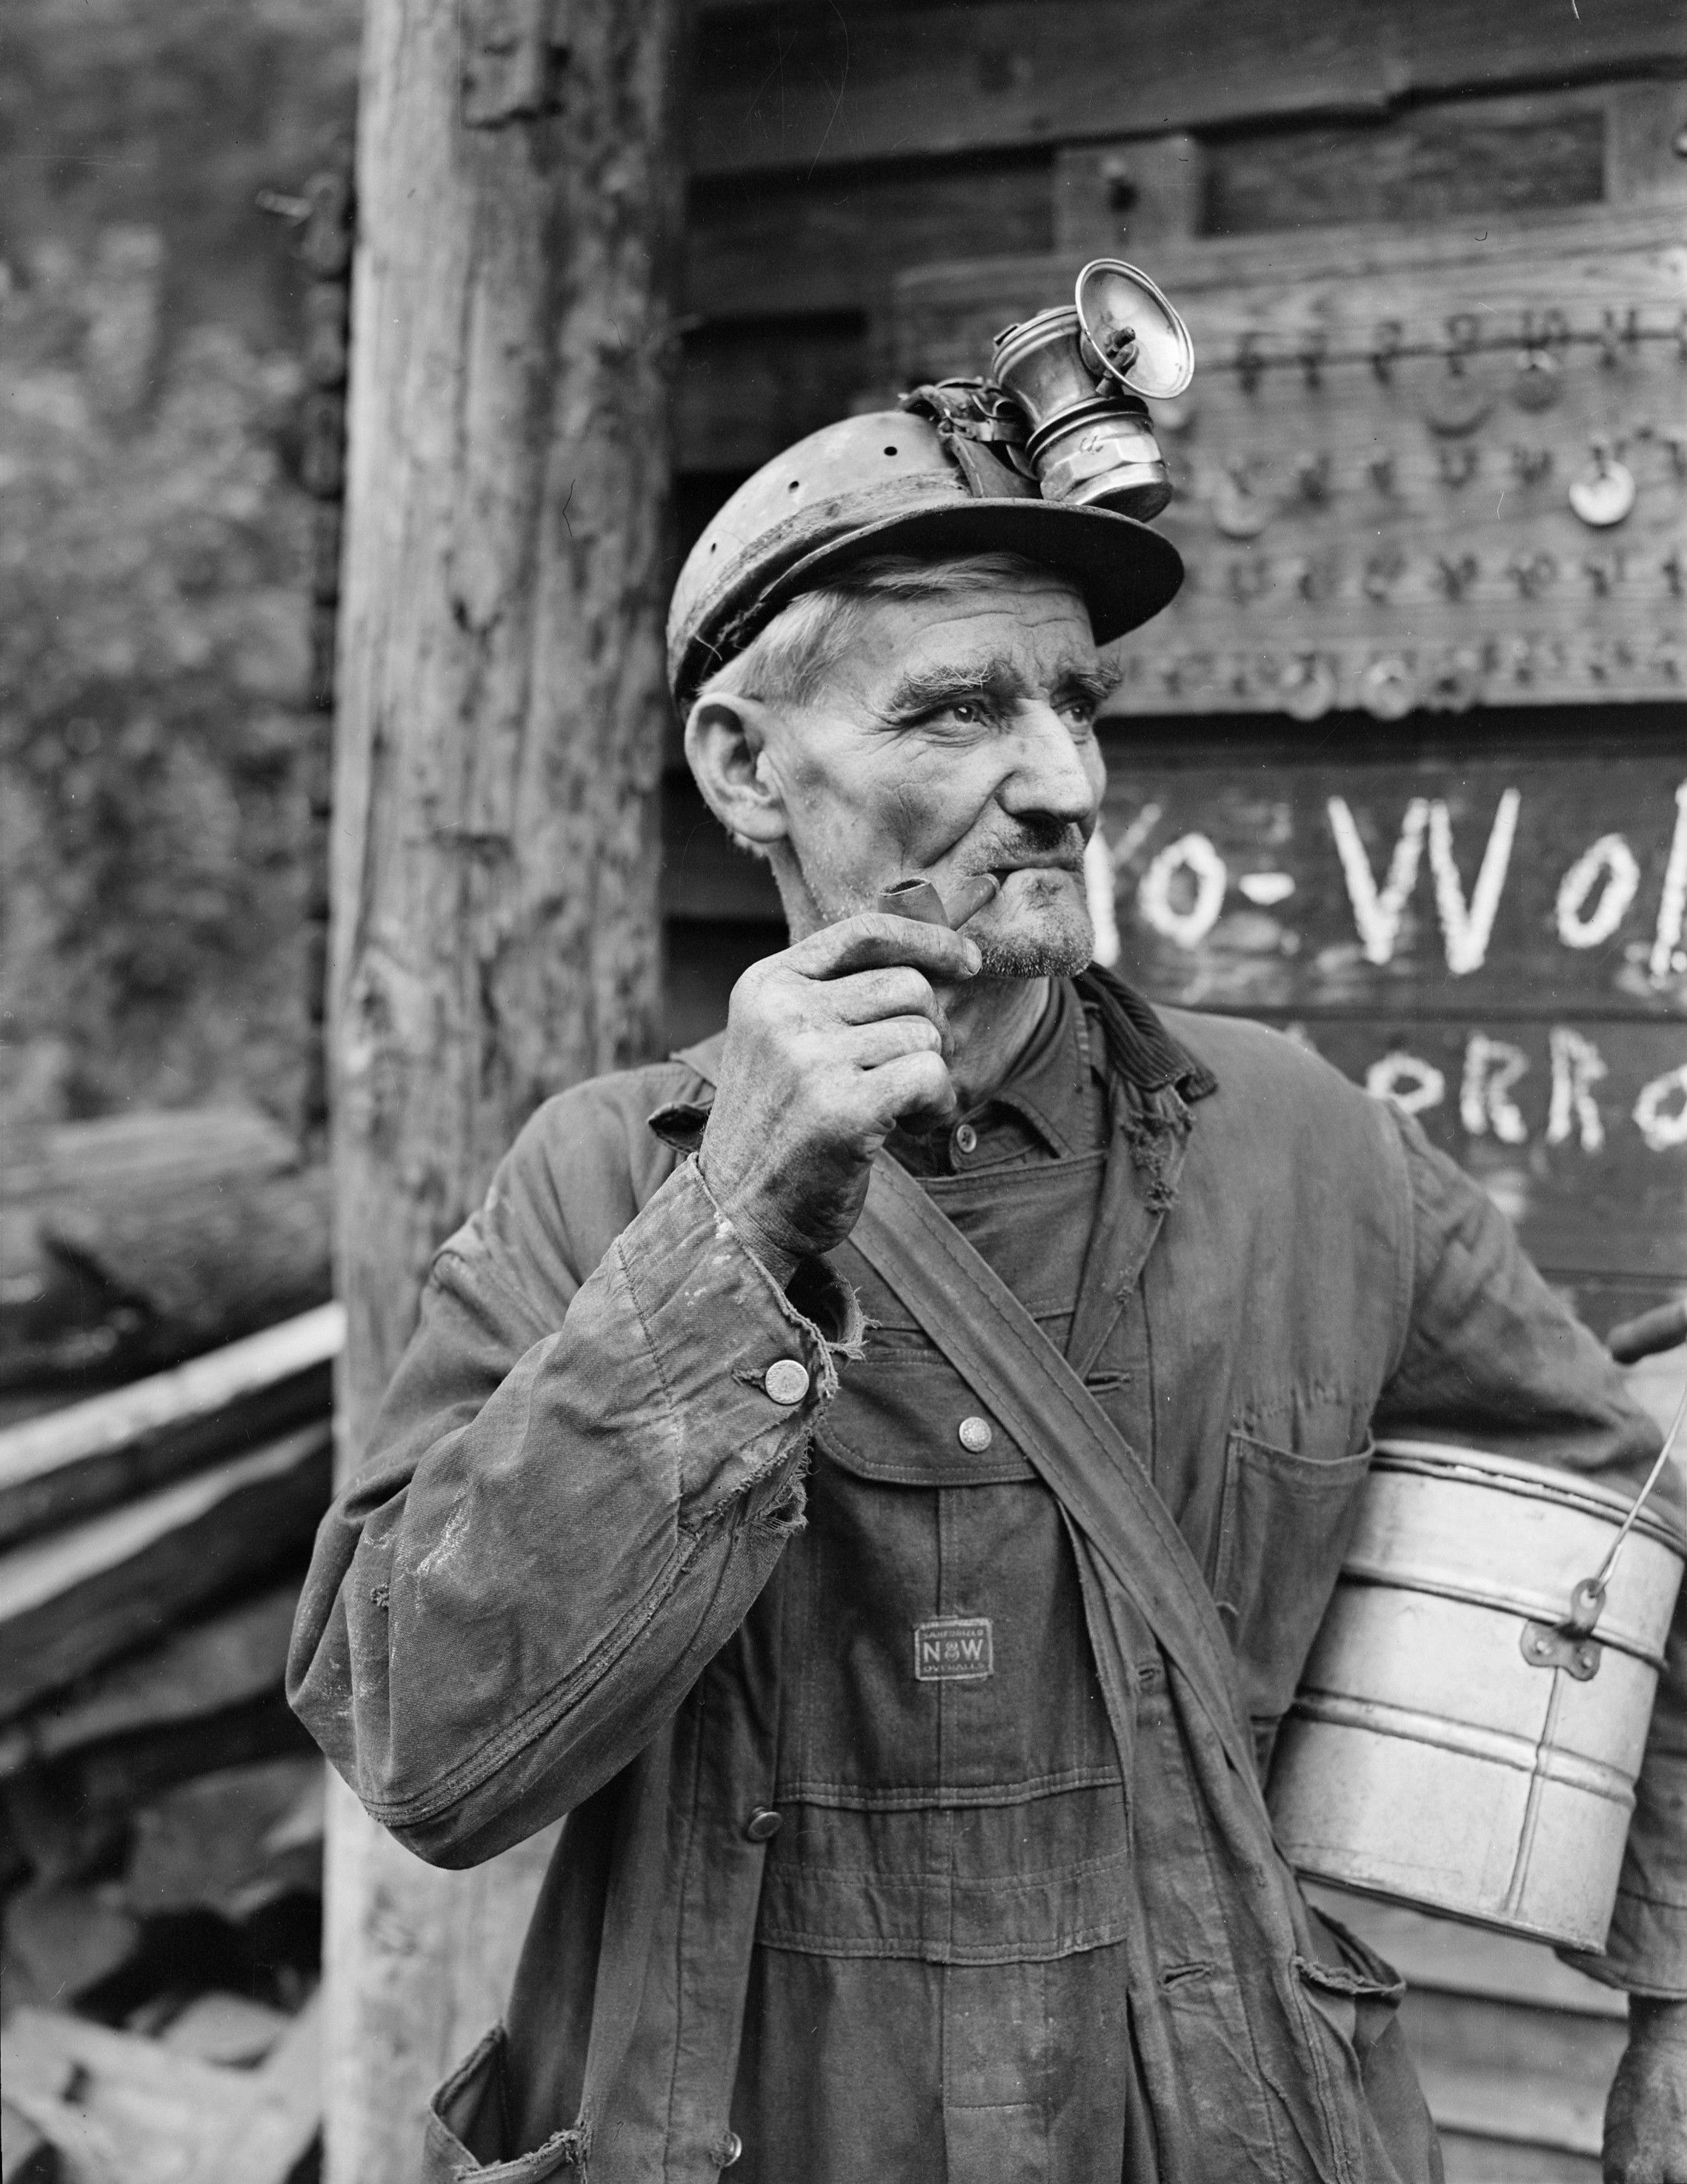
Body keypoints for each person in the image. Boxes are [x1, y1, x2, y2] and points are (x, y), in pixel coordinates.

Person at [289, 408, 1687, 2183]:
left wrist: (1675, 1995)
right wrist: (729, 1235)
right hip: (744, 2121)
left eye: (1073, 704)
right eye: (958, 710)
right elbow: (421, 1747)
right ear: (743, 766)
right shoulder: (597, 1184)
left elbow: (1625, 1506)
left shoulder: (1309, 1153)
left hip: (1211, 2122)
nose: (1062, 784)